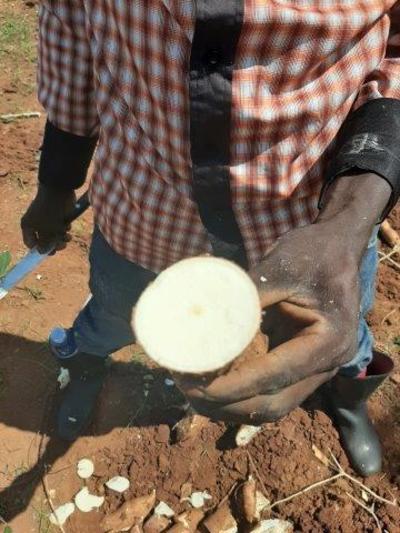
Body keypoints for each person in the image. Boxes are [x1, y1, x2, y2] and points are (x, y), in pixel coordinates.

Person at [21, 1, 399, 477]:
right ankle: (87, 364)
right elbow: (72, 21)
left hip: (311, 231)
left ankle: (347, 395)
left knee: (343, 334)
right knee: (115, 311)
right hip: (146, 213)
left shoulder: (334, 232)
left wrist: (346, 222)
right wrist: (56, 182)